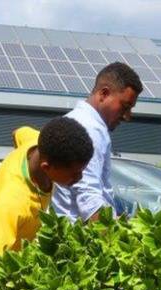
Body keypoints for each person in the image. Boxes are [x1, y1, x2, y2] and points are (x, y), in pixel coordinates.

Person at [0, 116, 93, 255]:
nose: (79, 178)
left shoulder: (38, 143)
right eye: (74, 173)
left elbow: (18, 132)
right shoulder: (13, 202)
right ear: (46, 167)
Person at [51, 62, 142, 221]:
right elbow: (88, 198)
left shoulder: (78, 121)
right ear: (104, 94)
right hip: (80, 239)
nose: (128, 116)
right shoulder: (89, 129)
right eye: (125, 106)